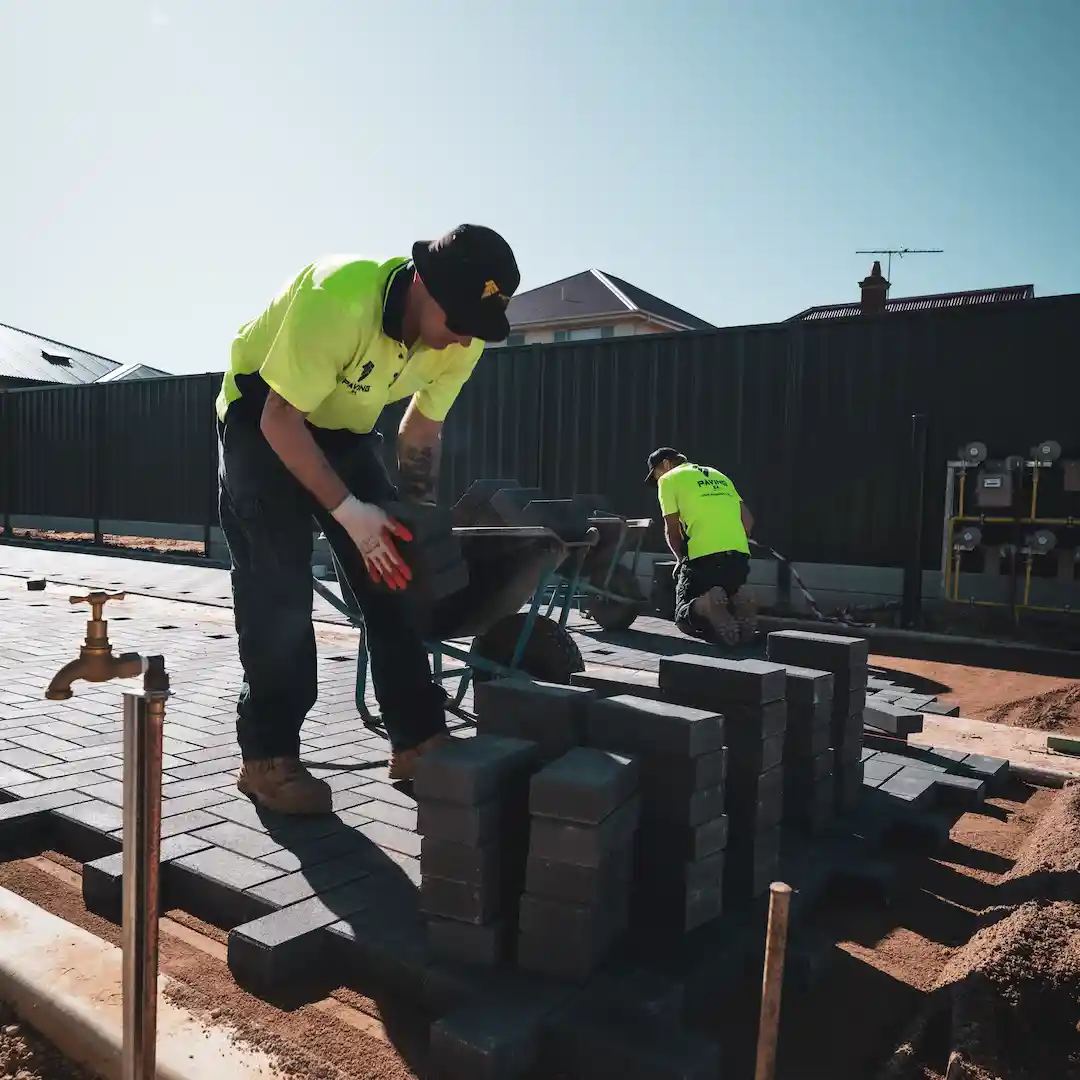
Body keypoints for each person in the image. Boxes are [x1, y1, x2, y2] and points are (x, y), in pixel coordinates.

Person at [216, 224, 520, 813]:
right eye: (458, 326)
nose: (463, 343)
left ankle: (417, 739)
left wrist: (411, 523)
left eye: (476, 331)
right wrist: (349, 512)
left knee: (397, 575)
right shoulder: (338, 296)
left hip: (344, 432)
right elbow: (280, 420)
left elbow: (421, 427)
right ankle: (267, 756)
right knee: (276, 589)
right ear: (425, 288)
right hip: (262, 414)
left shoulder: (465, 335)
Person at [645, 447, 757, 645]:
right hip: (739, 557)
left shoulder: (669, 479)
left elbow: (671, 529)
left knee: (682, 615)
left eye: (655, 475)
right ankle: (737, 597)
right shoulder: (718, 475)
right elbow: (747, 521)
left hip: (704, 559)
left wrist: (680, 560)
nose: (656, 480)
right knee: (724, 599)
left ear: (666, 464)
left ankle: (705, 604)